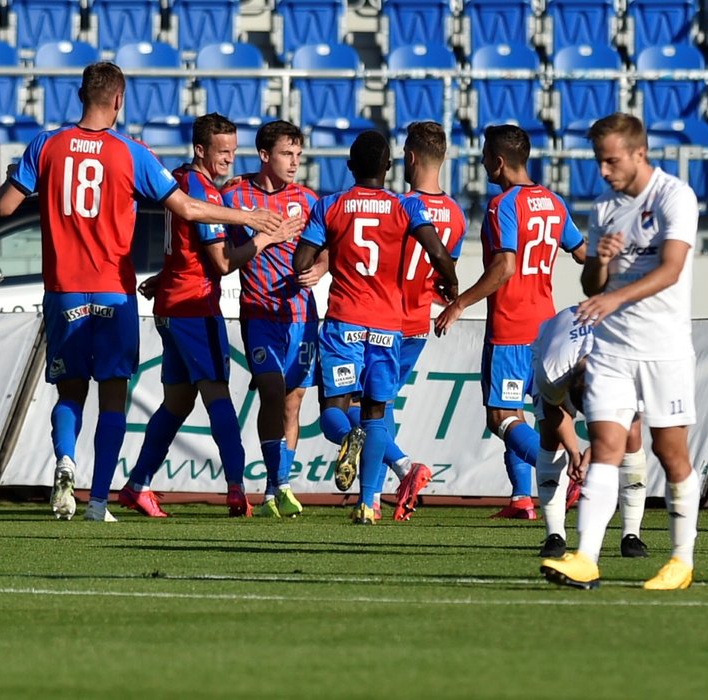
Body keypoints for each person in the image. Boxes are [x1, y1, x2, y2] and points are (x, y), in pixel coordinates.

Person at [0, 63, 283, 522]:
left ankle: (65, 463)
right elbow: (186, 207)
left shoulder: (45, 144)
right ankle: (98, 503)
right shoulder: (131, 152)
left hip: (63, 291)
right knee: (112, 395)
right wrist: (248, 219)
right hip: (113, 292)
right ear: (120, 100)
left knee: (70, 393)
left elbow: (5, 205)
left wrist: (23, 177)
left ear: (80, 94)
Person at [540, 112, 700, 591]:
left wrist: (612, 296)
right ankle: (586, 556)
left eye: (611, 161)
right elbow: (590, 280)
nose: (604, 171)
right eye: (599, 162)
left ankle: (681, 560)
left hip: (663, 349)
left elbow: (671, 269)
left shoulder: (676, 196)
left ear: (639, 153)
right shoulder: (605, 207)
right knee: (607, 446)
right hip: (610, 348)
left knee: (671, 454)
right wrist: (603, 264)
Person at [116, 113, 299, 518]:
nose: (230, 160)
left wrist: (164, 276)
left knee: (177, 403)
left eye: (234, 152)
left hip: (171, 305)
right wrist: (266, 237)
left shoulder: (181, 180)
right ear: (201, 149)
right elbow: (222, 263)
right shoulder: (207, 195)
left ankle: (137, 484)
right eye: (222, 151)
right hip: (195, 308)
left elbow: (189, 252)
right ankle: (237, 489)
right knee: (218, 397)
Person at [293, 130, 459, 525]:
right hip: (387, 327)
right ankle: (368, 504)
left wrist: (320, 249)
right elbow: (437, 251)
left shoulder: (330, 206)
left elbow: (302, 262)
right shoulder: (405, 206)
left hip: (344, 322)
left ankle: (347, 439)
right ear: (388, 167)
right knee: (375, 412)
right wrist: (450, 283)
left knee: (334, 410)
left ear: (349, 167)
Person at [436, 123, 585, 519]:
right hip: (545, 326)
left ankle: (560, 476)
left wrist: (460, 303)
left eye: (485, 156)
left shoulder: (503, 205)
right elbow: (583, 253)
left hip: (510, 327)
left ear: (498, 162)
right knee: (532, 414)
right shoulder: (553, 202)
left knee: (501, 415)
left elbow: (504, 268)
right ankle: (522, 497)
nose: (483, 163)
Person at [220, 120, 327, 519]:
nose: (294, 162)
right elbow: (223, 256)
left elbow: (324, 249)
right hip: (260, 313)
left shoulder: (308, 199)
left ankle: (272, 491)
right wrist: (265, 236)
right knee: (270, 389)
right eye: (287, 154)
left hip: (301, 316)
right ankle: (280, 483)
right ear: (265, 155)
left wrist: (320, 269)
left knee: (291, 404)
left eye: (298, 155)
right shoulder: (235, 195)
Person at [368, 120, 467, 522]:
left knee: (366, 405)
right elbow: (446, 274)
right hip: (418, 323)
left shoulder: (399, 206)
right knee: (382, 399)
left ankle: (382, 485)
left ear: (409, 157)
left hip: (383, 317)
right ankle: (378, 488)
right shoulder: (458, 217)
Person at [531, 306, 648, 559]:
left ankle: (632, 534)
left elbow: (623, 422)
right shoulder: (553, 371)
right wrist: (574, 451)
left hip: (615, 348)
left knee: (632, 435)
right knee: (551, 436)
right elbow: (555, 410)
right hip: (556, 342)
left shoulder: (632, 366)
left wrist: (595, 450)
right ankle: (555, 534)